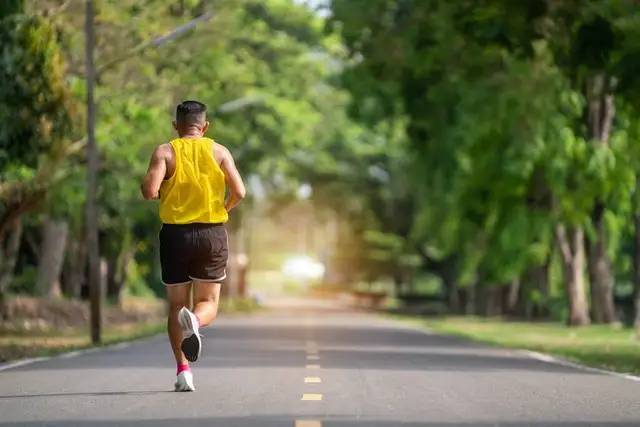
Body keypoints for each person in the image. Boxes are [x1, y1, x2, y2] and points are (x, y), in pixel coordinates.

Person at [141, 100, 246, 391]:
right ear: (205, 126)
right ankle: (196, 322)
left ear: (176, 126)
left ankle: (183, 371)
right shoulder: (219, 151)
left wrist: (156, 184)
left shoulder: (165, 151)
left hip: (175, 235)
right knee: (209, 303)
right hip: (212, 233)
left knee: (176, 305)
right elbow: (239, 191)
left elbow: (150, 191)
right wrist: (223, 207)